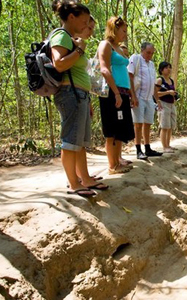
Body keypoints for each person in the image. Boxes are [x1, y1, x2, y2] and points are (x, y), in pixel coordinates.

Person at [51, 1, 107, 197]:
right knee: (70, 141)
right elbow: (58, 64)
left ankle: (85, 178)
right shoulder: (61, 36)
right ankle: (73, 183)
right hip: (69, 93)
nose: (85, 26)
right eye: (83, 21)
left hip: (80, 94)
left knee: (79, 141)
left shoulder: (72, 39)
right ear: (72, 18)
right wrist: (80, 50)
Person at [98, 16, 135, 174]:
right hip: (112, 92)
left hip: (123, 91)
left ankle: (117, 160)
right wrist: (116, 93)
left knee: (120, 128)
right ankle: (112, 165)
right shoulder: (105, 45)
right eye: (123, 31)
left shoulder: (119, 47)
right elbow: (104, 69)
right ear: (114, 28)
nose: (125, 34)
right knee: (112, 129)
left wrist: (129, 94)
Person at [128, 42, 163, 159]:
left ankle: (147, 148)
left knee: (148, 123)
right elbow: (130, 76)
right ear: (142, 50)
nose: (150, 55)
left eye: (152, 53)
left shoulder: (151, 64)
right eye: (148, 53)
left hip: (149, 99)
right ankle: (138, 149)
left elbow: (153, 84)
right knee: (138, 124)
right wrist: (133, 96)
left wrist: (157, 100)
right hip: (138, 96)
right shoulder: (135, 58)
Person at [155, 61, 178, 153]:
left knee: (170, 126)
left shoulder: (171, 80)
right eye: (166, 68)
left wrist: (174, 95)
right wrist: (168, 92)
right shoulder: (160, 80)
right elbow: (155, 93)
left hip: (171, 104)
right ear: (161, 70)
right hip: (163, 104)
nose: (169, 69)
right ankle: (164, 147)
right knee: (164, 126)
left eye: (170, 67)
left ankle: (168, 145)